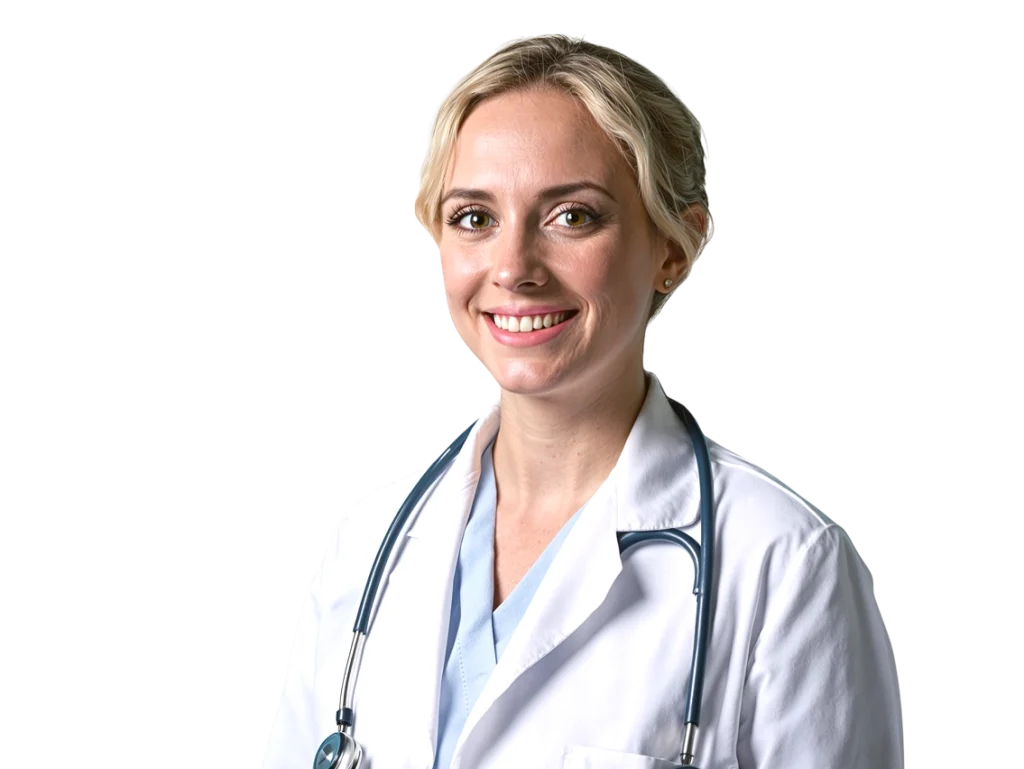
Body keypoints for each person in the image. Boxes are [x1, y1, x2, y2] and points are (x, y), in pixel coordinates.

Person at [264, 34, 903, 768]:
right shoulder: (368, 540)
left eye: (572, 216)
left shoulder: (782, 561)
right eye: (475, 217)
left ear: (673, 249)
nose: (514, 268)